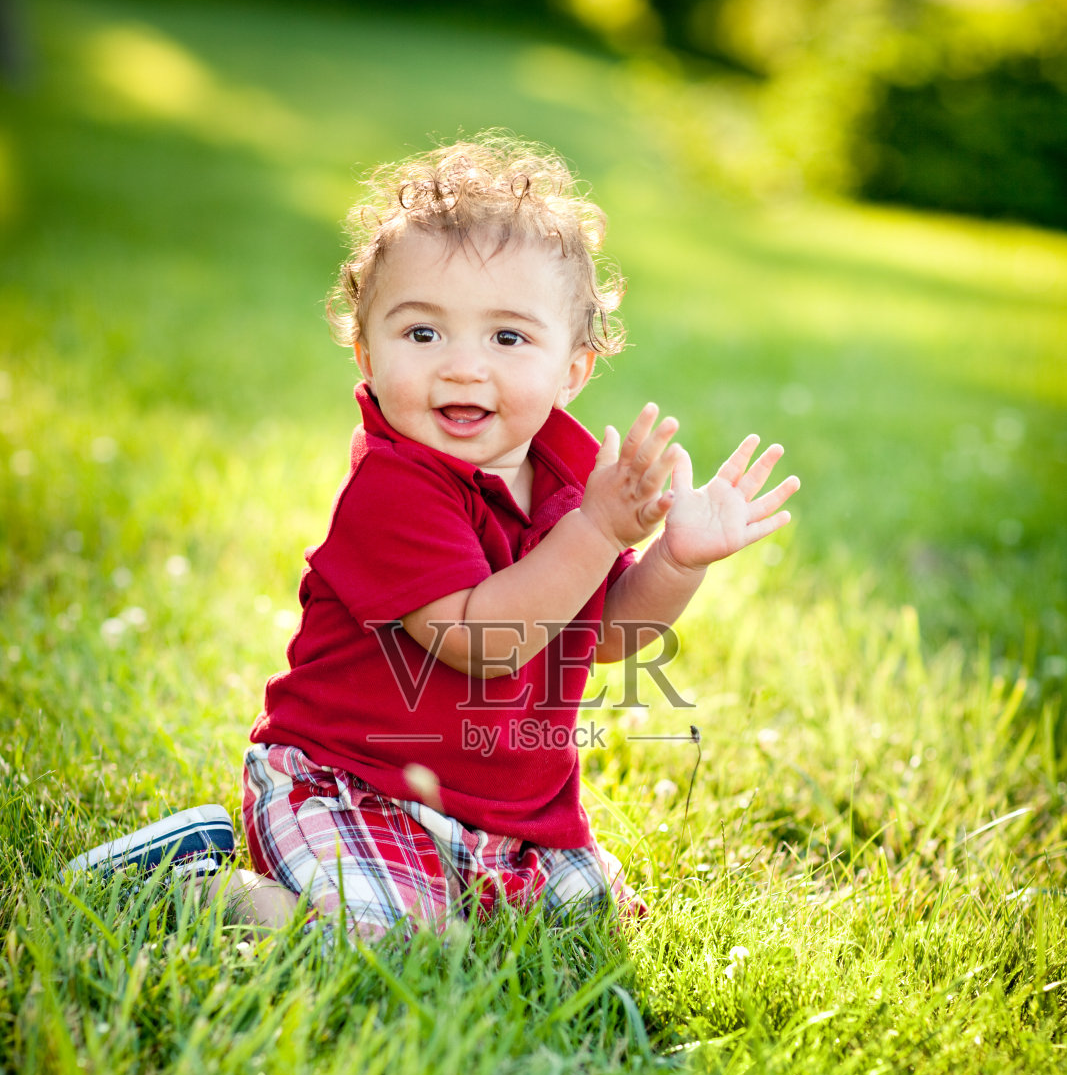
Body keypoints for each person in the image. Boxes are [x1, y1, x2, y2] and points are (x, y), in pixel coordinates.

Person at [66, 137, 799, 937]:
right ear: (365, 351)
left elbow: (605, 634)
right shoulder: (394, 487)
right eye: (422, 334)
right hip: (355, 786)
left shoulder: (566, 477)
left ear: (573, 371)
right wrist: (596, 528)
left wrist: (674, 559)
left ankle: (456, 884)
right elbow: (485, 642)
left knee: (582, 927)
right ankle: (187, 887)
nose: (460, 368)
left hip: (504, 812)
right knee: (406, 943)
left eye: (507, 339)